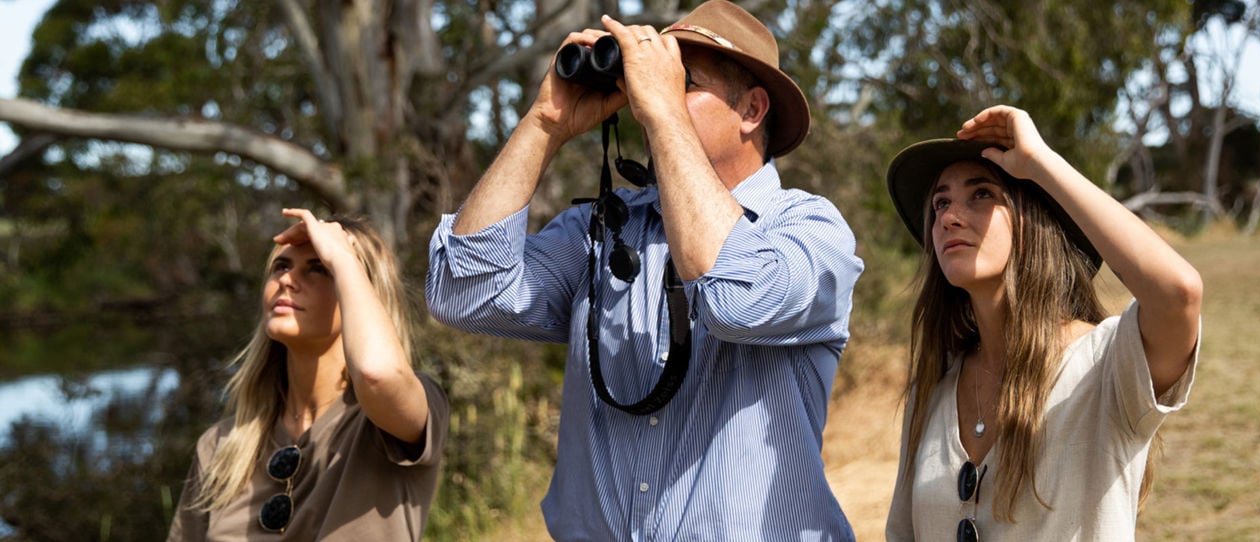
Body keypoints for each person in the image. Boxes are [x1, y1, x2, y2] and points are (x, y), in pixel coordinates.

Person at [425, 1, 862, 540]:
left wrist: (664, 113)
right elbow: (462, 291)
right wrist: (545, 124)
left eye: (683, 81)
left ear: (751, 110)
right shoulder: (605, 228)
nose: (645, 97)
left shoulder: (809, 229)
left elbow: (734, 300)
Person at [883, 105, 1202, 540]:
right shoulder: (933, 388)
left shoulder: (1104, 364)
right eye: (940, 202)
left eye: (981, 194)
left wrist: (1040, 163)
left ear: (1035, 224)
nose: (948, 217)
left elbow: (1178, 292)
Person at [168, 209, 449, 541]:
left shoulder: (393, 419)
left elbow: (377, 373)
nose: (287, 280)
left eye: (319, 268)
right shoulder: (220, 446)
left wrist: (342, 257)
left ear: (358, 291)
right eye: (281, 266)